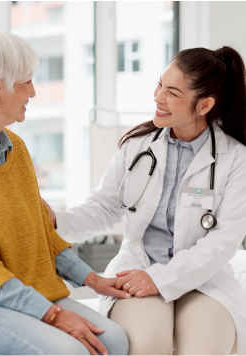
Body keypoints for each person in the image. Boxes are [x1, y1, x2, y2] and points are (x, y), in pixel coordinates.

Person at [46, 46, 246, 355]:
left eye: (172, 92)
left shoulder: (235, 159)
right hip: (137, 271)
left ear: (204, 105)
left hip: (203, 279)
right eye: (159, 85)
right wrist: (57, 220)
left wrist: (161, 279)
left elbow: (223, 241)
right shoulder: (138, 146)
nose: (158, 97)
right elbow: (105, 206)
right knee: (148, 344)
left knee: (202, 349)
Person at [0, 30, 130, 356]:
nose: (33, 92)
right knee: (67, 351)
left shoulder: (15, 148)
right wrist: (54, 315)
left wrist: (93, 280)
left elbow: (42, 235)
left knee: (114, 339)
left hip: (25, 289)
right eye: (26, 82)